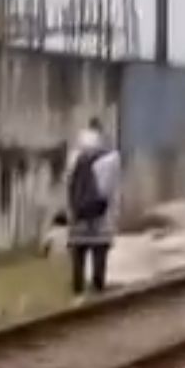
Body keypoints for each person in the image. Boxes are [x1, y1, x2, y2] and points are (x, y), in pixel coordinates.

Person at [65, 119, 121, 294]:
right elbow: (112, 191)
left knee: (78, 257)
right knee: (99, 257)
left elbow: (68, 185)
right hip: (100, 219)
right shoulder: (112, 158)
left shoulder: (73, 157)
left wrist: (70, 211)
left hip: (78, 217)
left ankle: (77, 293)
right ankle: (98, 291)